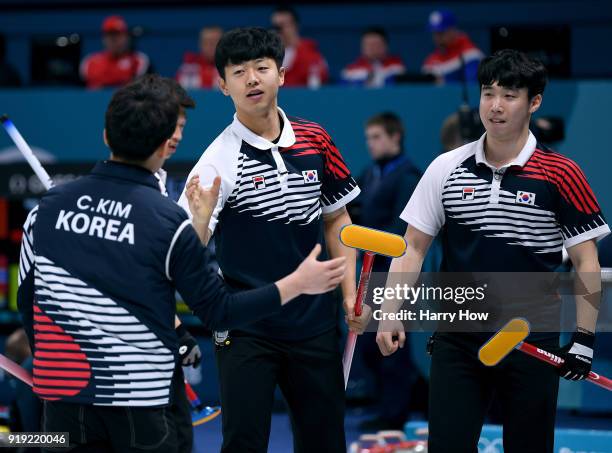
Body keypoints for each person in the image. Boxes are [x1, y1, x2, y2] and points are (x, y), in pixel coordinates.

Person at [16, 74, 346, 453]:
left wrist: (53, 367)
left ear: (106, 136)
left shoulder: (42, 213)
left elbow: (30, 303)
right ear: (164, 146)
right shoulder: (165, 223)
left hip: (61, 405)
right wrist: (296, 284)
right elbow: (219, 311)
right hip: (142, 408)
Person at [377, 49, 609, 453]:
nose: (495, 106)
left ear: (534, 102)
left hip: (532, 339)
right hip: (459, 336)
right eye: (489, 93)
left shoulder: (562, 174)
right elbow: (412, 248)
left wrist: (584, 338)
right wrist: (390, 313)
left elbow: (586, 260)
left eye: (510, 95)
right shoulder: (446, 168)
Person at [178, 27, 365, 453]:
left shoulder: (316, 139)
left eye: (261, 68)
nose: (252, 79)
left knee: (325, 442)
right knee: (244, 443)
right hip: (246, 326)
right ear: (222, 86)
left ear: (281, 74)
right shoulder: (215, 161)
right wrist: (202, 219)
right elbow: (186, 251)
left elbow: (338, 218)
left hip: (315, 323)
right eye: (239, 72)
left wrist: (350, 294)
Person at [349, 112, 422, 430]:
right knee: (368, 345)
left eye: (377, 137)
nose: (371, 144)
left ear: (395, 137)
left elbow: (402, 231)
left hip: (396, 275)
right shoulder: (368, 174)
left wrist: (365, 239)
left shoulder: (408, 177)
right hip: (368, 273)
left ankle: (395, 415)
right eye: (368, 138)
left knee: (393, 345)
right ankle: (391, 405)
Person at [80, 15, 151, 89]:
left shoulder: (139, 61)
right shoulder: (89, 62)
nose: (114, 40)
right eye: (109, 35)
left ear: (126, 37)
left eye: (118, 35)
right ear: (103, 39)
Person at [270, 5, 329, 87]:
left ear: (295, 26)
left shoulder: (311, 56)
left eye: (282, 26)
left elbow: (315, 91)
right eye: (275, 27)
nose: (278, 31)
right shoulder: (268, 57)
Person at [421, 9, 483, 84]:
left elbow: (472, 88)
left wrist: (445, 83)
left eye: (441, 33)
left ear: (453, 30)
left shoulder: (471, 54)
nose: (437, 37)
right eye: (434, 33)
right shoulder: (430, 60)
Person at [340, 27, 405, 87]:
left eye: (376, 44)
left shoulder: (396, 67)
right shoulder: (350, 71)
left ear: (385, 46)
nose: (372, 48)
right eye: (368, 44)